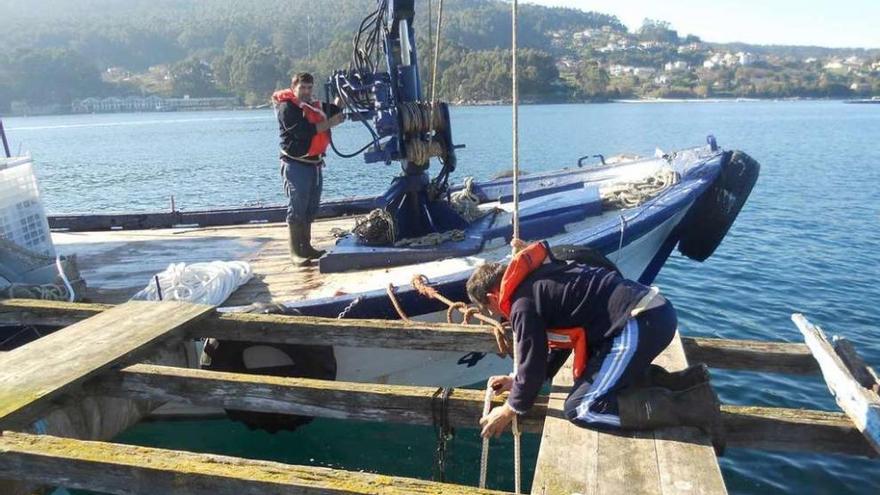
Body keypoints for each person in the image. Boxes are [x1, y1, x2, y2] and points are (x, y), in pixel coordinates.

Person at [467, 240, 721, 439]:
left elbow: (531, 362)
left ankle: (692, 409)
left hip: (637, 322)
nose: (497, 316)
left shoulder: (521, 304)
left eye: (490, 310)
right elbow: (548, 349)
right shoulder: (540, 278)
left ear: (491, 297)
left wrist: (510, 409)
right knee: (603, 384)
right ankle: (687, 382)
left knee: (582, 408)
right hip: (654, 313)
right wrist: (515, 381)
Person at [273, 72, 346, 265]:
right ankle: (296, 252)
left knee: (311, 206)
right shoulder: (287, 107)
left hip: (314, 164)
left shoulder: (314, 106)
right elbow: (302, 132)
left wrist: (342, 98)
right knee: (297, 206)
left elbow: (335, 110)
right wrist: (330, 123)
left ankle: (306, 246)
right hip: (295, 163)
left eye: (309, 88)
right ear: (294, 87)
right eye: (302, 88)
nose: (306, 91)